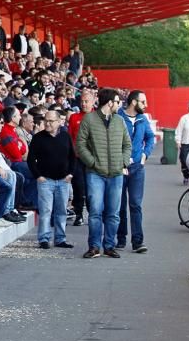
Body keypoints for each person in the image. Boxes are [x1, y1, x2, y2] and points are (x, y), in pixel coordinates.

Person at [75, 87, 130, 260]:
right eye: (117, 101)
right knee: (96, 212)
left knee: (113, 213)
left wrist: (123, 162)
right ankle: (94, 247)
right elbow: (80, 145)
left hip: (116, 174)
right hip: (95, 174)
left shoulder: (120, 121)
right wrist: (92, 163)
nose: (119, 104)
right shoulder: (89, 120)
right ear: (110, 102)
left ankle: (109, 246)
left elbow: (127, 145)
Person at [28, 109, 75, 249]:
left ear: (59, 122)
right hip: (45, 180)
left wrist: (70, 174)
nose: (47, 123)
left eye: (51, 121)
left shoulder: (65, 136)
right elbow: (31, 159)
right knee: (46, 210)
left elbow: (72, 157)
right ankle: (44, 238)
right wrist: (38, 176)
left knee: (61, 210)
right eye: (46, 120)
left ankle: (60, 239)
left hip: (63, 180)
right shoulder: (38, 138)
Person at [116, 90, 154, 252]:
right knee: (120, 205)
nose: (146, 105)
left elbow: (150, 137)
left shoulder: (142, 119)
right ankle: (120, 238)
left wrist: (145, 154)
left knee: (136, 204)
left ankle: (138, 241)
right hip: (119, 166)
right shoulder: (117, 117)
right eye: (143, 101)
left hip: (137, 168)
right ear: (133, 102)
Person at [67, 89, 94, 226]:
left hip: (92, 159)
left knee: (91, 187)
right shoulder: (74, 117)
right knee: (78, 186)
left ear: (93, 102)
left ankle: (92, 213)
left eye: (86, 101)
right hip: (77, 158)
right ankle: (78, 214)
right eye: (82, 101)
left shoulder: (98, 116)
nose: (83, 104)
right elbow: (70, 137)